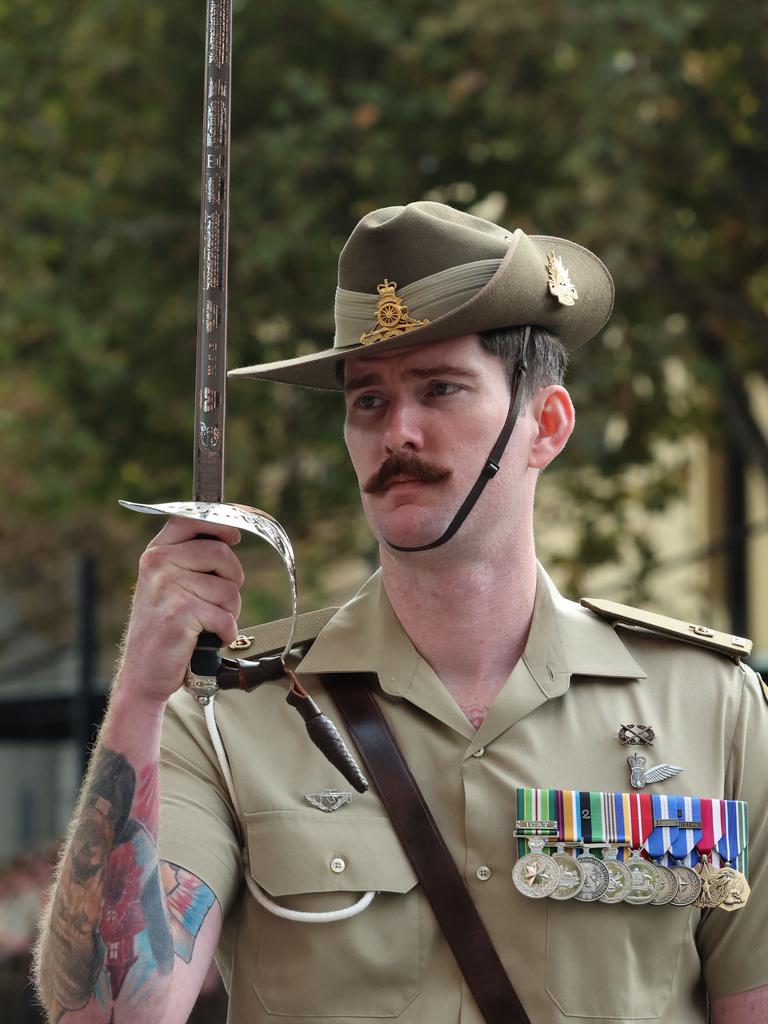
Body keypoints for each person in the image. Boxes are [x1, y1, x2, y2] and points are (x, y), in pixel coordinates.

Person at [34, 202, 768, 1023]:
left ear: (546, 426)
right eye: (369, 402)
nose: (399, 433)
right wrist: (137, 696)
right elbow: (105, 1015)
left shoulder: (711, 707)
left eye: (440, 389)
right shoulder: (227, 715)